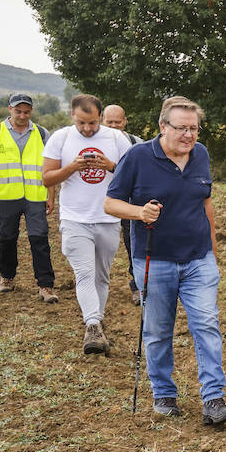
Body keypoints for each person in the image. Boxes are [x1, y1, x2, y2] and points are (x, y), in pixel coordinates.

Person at [104, 96, 226, 424]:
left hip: (198, 259)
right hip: (155, 260)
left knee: (206, 323)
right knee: (159, 329)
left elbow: (206, 203)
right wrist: (139, 212)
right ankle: (164, 394)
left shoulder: (201, 154)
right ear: (163, 127)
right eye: (182, 128)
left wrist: (213, 253)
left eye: (194, 128)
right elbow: (110, 203)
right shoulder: (137, 157)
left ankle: (213, 400)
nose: (189, 135)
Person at [40, 94, 132, 354]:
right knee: (85, 273)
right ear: (72, 116)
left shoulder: (116, 139)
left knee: (102, 276)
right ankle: (92, 325)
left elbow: (131, 175)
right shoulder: (61, 138)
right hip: (74, 218)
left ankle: (97, 323)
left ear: (100, 118)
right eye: (82, 123)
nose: (87, 129)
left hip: (107, 217)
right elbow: (47, 179)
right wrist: (72, 167)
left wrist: (110, 165)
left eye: (92, 123)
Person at [0, 93, 58, 301]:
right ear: (10, 109)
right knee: (6, 238)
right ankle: (7, 277)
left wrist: (51, 196)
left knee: (39, 238)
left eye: (26, 111)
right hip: (7, 196)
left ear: (31, 111)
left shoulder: (43, 134)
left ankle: (45, 285)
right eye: (18, 111)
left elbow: (49, 169)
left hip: (36, 196)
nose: (22, 116)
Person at [102, 104, 145, 306]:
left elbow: (143, 174)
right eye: (109, 122)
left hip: (128, 204)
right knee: (100, 247)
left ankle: (138, 286)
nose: (113, 126)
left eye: (117, 122)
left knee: (133, 245)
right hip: (101, 205)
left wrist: (112, 166)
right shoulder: (92, 143)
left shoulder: (137, 144)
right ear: (102, 120)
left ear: (125, 122)